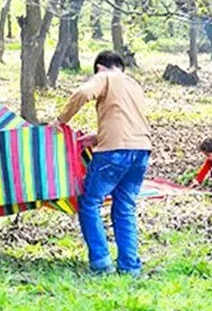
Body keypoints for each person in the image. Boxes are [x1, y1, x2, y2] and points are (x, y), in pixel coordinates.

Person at [52, 51, 152, 277]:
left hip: (114, 152)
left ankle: (101, 263)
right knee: (125, 206)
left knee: (89, 203)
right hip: (142, 150)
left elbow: (83, 93)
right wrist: (97, 138)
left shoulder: (105, 77)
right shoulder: (134, 84)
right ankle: (130, 268)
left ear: (99, 67)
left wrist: (60, 121)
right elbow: (130, 120)